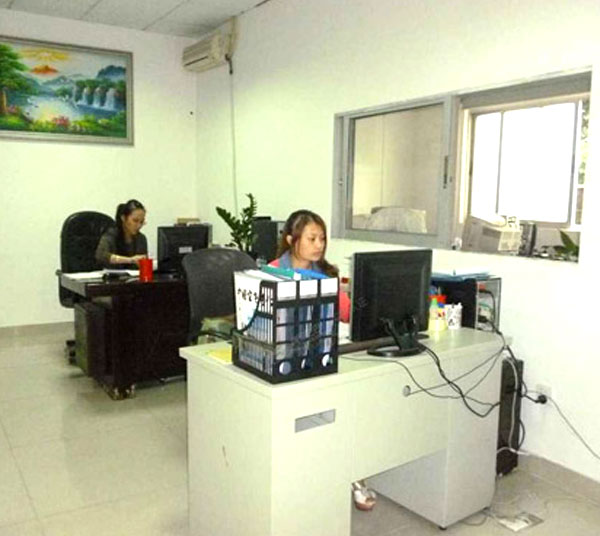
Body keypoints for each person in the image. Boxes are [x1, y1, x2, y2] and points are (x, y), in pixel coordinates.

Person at [271, 210, 375, 510]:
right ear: (291, 239)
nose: (319, 245)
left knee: (351, 408)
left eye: (323, 239)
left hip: (322, 355)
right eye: (312, 238)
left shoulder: (326, 274)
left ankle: (351, 473)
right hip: (285, 358)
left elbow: (347, 312)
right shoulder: (272, 273)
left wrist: (366, 304)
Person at [95, 199, 148, 268]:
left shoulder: (141, 238)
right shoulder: (111, 235)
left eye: (141, 222)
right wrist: (130, 260)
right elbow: (101, 256)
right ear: (123, 218)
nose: (139, 225)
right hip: (110, 274)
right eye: (135, 221)